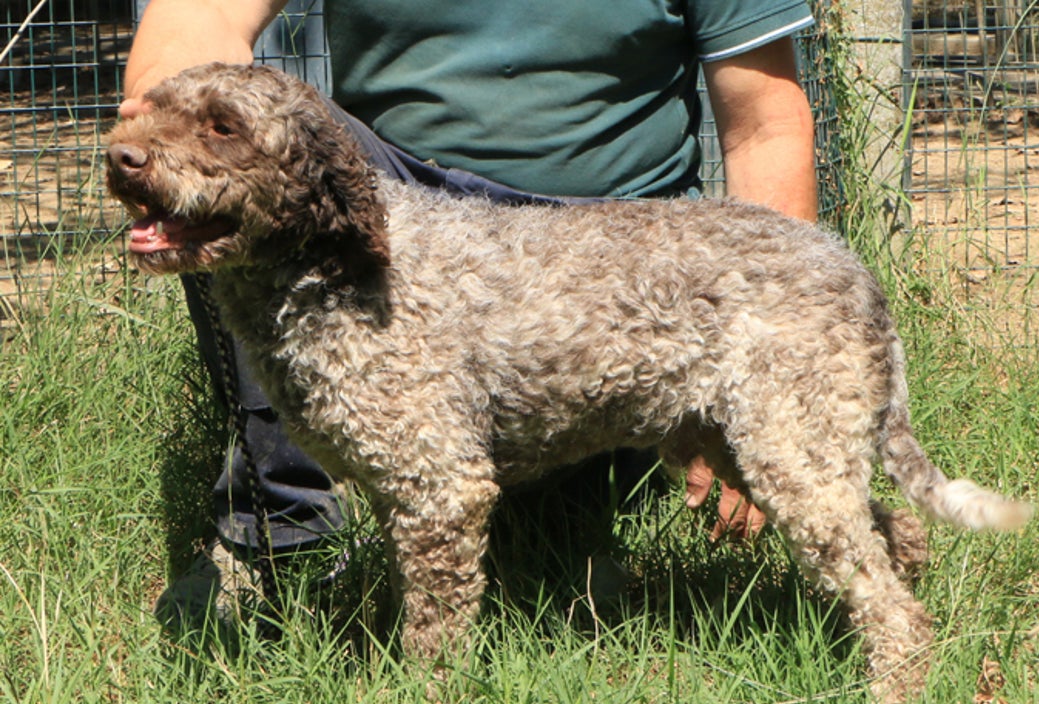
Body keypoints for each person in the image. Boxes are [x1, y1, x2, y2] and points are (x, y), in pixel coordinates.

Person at [121, 0, 819, 617]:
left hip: (614, 261)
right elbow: (201, 12)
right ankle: (282, 541)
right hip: (395, 209)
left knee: (542, 551)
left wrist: (761, 387)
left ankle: (569, 529)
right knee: (253, 165)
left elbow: (766, 129)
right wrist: (173, 125)